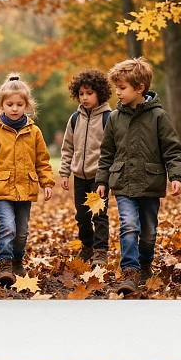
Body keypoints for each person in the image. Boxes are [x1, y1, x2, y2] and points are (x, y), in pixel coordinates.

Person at [95, 58, 181, 294]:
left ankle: (145, 264)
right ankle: (130, 272)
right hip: (123, 183)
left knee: (148, 233)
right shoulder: (115, 118)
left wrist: (176, 176)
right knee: (129, 226)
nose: (117, 92)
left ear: (140, 88)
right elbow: (107, 152)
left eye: (122, 88)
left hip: (150, 183)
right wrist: (102, 180)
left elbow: (172, 149)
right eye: (116, 87)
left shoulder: (158, 116)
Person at [0, 74, 55, 286]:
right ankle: (4, 265)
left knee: (22, 231)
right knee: (7, 227)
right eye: (9, 104)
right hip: (1, 188)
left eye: (19, 104)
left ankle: (17, 260)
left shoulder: (34, 131)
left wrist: (47, 182)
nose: (14, 108)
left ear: (27, 105)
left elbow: (42, 160)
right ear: (1, 105)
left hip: (25, 188)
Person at [60, 69, 112, 267]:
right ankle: (87, 246)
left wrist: (106, 177)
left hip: (99, 178)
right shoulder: (75, 119)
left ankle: (100, 251)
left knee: (99, 215)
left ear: (99, 93)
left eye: (89, 93)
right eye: (81, 94)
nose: (84, 97)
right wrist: (65, 172)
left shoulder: (108, 118)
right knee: (82, 216)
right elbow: (67, 148)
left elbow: (112, 151)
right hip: (79, 177)